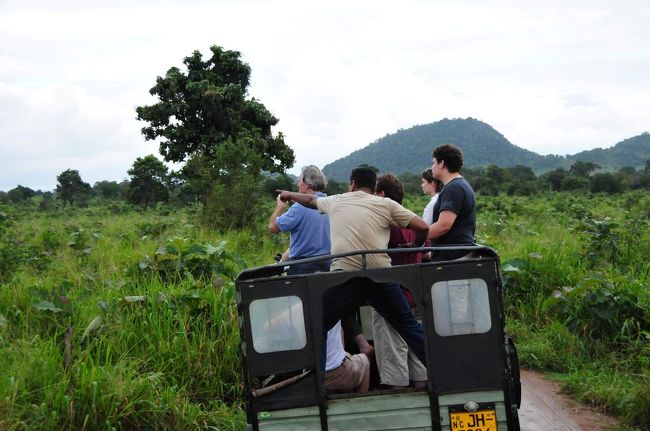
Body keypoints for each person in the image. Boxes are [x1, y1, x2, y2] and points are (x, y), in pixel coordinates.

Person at [277, 166, 430, 365]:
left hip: (344, 276)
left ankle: (318, 383)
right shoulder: (385, 204)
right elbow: (423, 227)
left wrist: (290, 195)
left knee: (317, 325)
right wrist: (415, 245)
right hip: (380, 275)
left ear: (352, 184)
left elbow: (311, 201)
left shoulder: (337, 200)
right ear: (373, 186)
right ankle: (445, 376)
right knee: (408, 327)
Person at [373, 173, 427, 388]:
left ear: (382, 195)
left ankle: (401, 413)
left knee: (394, 359)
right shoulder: (413, 221)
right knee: (419, 359)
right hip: (417, 295)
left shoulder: (386, 225)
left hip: (392, 298)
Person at [268, 165, 330, 274]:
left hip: (302, 267)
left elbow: (273, 227)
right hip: (328, 264)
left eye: (299, 180)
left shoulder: (300, 207)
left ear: (306, 184)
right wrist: (283, 259)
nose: (297, 184)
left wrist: (280, 206)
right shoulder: (330, 203)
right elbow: (304, 244)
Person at [427, 144, 477, 260]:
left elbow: (443, 225)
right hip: (453, 252)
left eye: (434, 162)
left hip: (452, 256)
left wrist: (415, 238)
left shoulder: (454, 188)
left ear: (442, 163)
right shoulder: (458, 185)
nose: (432, 167)